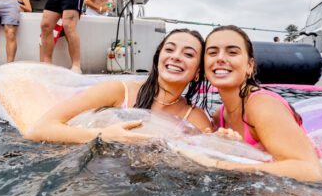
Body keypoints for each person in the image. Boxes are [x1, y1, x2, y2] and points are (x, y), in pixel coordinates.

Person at [24, 29, 211, 143]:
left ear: (197, 72)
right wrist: (102, 135)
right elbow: (39, 129)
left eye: (188, 54)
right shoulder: (118, 91)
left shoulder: (195, 118)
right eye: (169, 49)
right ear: (158, 59)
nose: (176, 56)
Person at [194, 25, 322, 182]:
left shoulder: (262, 105)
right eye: (212, 53)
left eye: (232, 52)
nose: (220, 58)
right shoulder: (218, 117)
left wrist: (217, 164)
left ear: (249, 66)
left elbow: (311, 171)